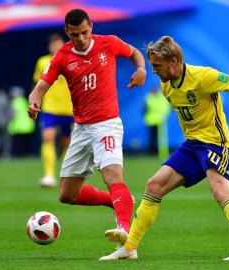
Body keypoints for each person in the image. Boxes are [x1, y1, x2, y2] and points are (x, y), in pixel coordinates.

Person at [100, 36, 229, 261]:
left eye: (157, 66)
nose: (154, 71)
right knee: (154, 185)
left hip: (216, 143)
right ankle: (129, 248)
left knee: (220, 190)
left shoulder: (204, 77)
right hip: (193, 145)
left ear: (173, 61)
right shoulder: (166, 85)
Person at [28, 9, 146, 244]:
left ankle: (124, 228)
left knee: (112, 175)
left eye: (84, 32)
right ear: (67, 32)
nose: (80, 38)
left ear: (91, 26)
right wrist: (34, 100)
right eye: (75, 35)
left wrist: (141, 69)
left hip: (107, 124)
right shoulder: (62, 56)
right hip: (81, 129)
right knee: (67, 194)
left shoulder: (109, 43)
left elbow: (134, 53)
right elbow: (40, 87)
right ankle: (115, 201)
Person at [33, 33, 73, 187]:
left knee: (68, 143)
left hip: (70, 108)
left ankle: (65, 173)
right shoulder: (42, 62)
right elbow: (38, 83)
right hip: (50, 108)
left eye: (59, 44)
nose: (56, 47)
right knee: (48, 137)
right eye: (53, 44)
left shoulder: (71, 59)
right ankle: (49, 175)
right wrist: (36, 100)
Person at [143, 86, 170, 157]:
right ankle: (152, 152)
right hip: (151, 121)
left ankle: (158, 152)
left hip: (160, 121)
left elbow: (165, 108)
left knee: (159, 138)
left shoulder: (160, 98)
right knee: (152, 137)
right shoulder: (149, 98)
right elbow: (145, 109)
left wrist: (164, 116)